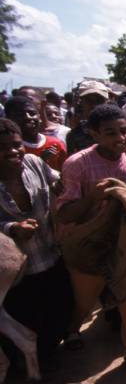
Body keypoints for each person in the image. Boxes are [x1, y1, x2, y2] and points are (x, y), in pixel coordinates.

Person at [56, 104, 126, 373]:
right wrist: (93, 197)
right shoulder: (77, 164)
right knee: (84, 301)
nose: (120, 138)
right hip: (89, 247)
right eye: (111, 133)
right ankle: (72, 331)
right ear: (93, 134)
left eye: (124, 131)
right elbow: (65, 214)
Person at [0, 119, 72, 370]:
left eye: (16, 145)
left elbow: (57, 180)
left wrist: (63, 185)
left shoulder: (33, 163)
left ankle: (47, 356)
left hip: (49, 254)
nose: (12, 151)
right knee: (21, 319)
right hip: (16, 273)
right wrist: (11, 228)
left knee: (58, 312)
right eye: (3, 147)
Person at [4, 96, 67, 171]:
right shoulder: (9, 149)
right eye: (20, 115)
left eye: (32, 113)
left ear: (39, 116)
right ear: (9, 118)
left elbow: (66, 174)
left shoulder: (55, 144)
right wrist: (40, 160)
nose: (28, 117)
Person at [66, 80, 110, 154]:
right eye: (89, 100)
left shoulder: (122, 130)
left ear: (107, 102)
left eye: (99, 100)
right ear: (81, 103)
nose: (94, 105)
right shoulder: (74, 135)